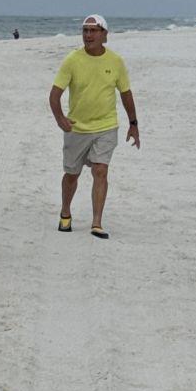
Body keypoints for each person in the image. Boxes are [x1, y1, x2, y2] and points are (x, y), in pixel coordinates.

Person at [48, 13, 140, 239]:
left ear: (104, 35)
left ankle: (97, 222)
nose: (88, 35)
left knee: (100, 170)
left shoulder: (116, 62)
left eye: (93, 31)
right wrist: (60, 119)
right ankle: (65, 212)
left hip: (106, 126)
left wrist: (133, 124)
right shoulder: (72, 60)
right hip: (77, 128)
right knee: (72, 174)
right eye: (85, 31)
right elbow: (54, 95)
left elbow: (126, 93)